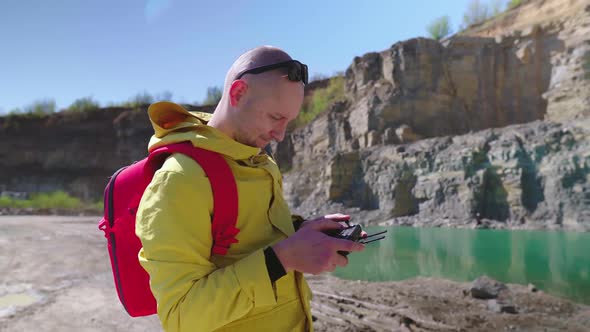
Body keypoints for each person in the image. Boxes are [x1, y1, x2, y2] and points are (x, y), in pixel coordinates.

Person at [136, 45, 365, 332]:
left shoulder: (258, 160)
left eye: (288, 121)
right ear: (238, 93)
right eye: (275, 117)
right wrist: (285, 257)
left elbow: (254, 236)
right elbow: (182, 315)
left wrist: (305, 231)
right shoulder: (179, 179)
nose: (280, 135)